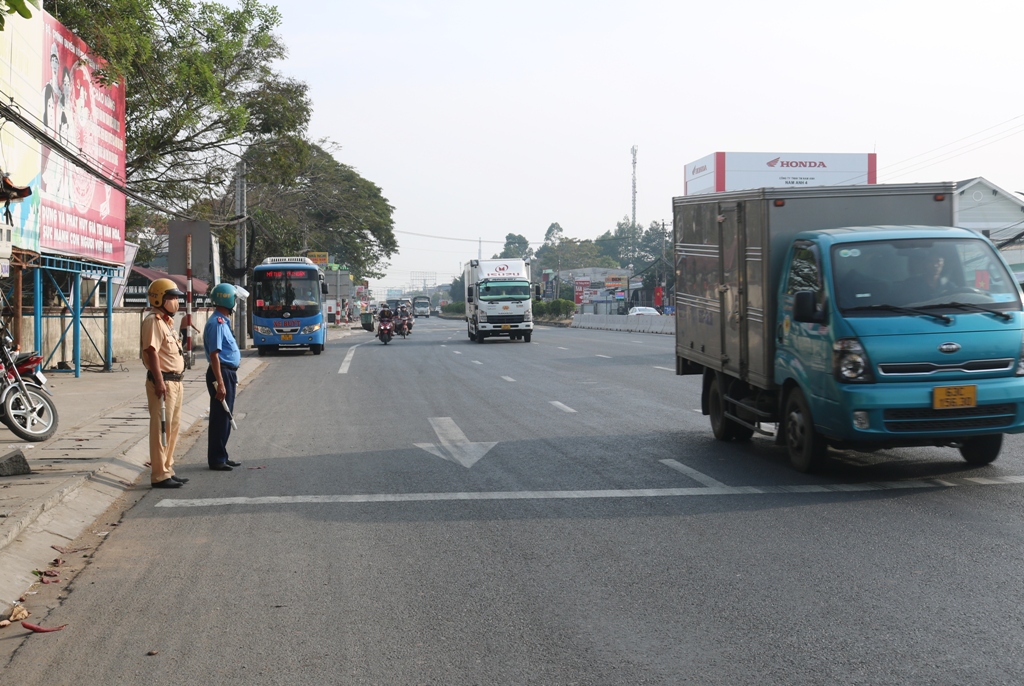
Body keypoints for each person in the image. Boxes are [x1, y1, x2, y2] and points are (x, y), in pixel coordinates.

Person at [141, 278, 187, 489]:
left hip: (175, 382)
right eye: (172, 297)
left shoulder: (166, 322)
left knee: (172, 428)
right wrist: (159, 381)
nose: (176, 301)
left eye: (176, 297)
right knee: (161, 428)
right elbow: (151, 352)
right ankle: (159, 475)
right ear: (159, 298)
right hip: (164, 382)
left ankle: (168, 468)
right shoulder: (153, 321)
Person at [204, 283, 243, 472]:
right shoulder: (217, 323)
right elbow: (214, 355)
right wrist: (220, 382)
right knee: (221, 416)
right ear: (227, 299)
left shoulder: (223, 321)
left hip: (227, 372)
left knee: (226, 416)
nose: (235, 302)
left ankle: (222, 455)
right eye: (234, 298)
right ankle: (217, 459)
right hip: (221, 372)